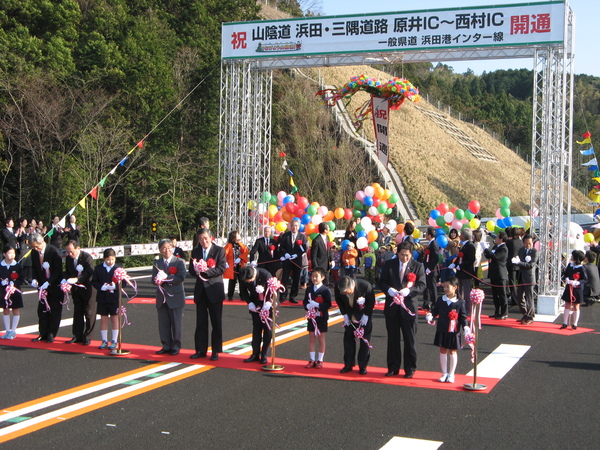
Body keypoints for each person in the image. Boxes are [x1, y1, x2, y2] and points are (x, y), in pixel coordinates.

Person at [379, 241, 426, 378]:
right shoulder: (389, 265)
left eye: (407, 255)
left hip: (409, 307)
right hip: (392, 307)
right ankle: (393, 367)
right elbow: (381, 281)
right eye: (401, 254)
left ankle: (410, 368)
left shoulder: (417, 267)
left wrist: (409, 290)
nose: (404, 258)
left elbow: (422, 285)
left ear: (411, 255)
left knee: (409, 339)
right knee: (393, 339)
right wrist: (389, 290)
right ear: (397, 253)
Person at [189, 228, 227, 361]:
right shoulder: (196, 251)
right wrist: (196, 269)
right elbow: (191, 271)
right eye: (200, 239)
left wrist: (207, 271)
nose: (203, 241)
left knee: (216, 322)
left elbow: (221, 268)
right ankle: (200, 350)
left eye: (205, 238)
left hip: (214, 290)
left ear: (211, 238)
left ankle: (216, 350)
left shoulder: (219, 250)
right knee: (201, 322)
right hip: (200, 291)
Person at [426, 276, 468, 383]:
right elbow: (436, 311)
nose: (445, 289)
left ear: (455, 287)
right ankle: (444, 373)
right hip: (442, 328)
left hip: (454, 331)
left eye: (447, 286)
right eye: (444, 286)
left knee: (452, 351)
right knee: (442, 350)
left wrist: (466, 327)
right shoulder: (441, 299)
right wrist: (430, 315)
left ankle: (452, 374)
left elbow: (463, 317)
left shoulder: (460, 302)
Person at [152, 239, 187, 355]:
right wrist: (157, 279)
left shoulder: (179, 262)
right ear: (160, 250)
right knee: (163, 323)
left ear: (172, 248)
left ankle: (176, 346)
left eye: (169, 247)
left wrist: (167, 278)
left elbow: (181, 277)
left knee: (176, 323)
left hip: (176, 296)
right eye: (164, 248)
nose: (166, 250)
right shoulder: (157, 263)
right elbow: (153, 280)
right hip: (162, 297)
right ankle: (166, 345)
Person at [335, 276, 375, 375]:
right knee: (348, 340)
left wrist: (366, 315)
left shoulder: (365, 286)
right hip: (349, 315)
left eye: (348, 292)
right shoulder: (338, 286)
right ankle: (348, 364)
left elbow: (371, 302)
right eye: (344, 293)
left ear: (352, 286)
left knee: (364, 341)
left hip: (363, 315)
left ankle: (363, 366)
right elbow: (339, 300)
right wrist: (344, 314)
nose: (346, 294)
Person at [30, 232, 64, 343]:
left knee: (54, 310)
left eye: (37, 246)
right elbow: (35, 268)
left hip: (54, 285)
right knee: (42, 310)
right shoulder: (34, 253)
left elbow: (58, 270)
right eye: (33, 247)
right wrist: (34, 279)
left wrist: (49, 282)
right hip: (42, 286)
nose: (35, 248)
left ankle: (51, 334)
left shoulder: (54, 251)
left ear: (42, 242)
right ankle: (42, 333)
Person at [238, 265, 273, 364]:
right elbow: (243, 291)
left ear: (254, 274)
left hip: (268, 305)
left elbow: (273, 290)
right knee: (256, 329)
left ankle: (264, 354)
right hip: (255, 305)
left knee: (267, 330)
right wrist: (249, 302)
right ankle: (255, 353)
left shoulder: (265, 275)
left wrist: (269, 302)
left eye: (250, 280)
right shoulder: (243, 275)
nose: (248, 282)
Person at [64, 240, 96, 345]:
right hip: (76, 289)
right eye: (67, 252)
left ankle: (88, 336)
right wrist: (65, 280)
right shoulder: (68, 259)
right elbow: (68, 271)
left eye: (71, 251)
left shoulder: (87, 257)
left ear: (78, 248)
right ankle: (77, 335)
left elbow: (89, 272)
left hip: (88, 288)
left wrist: (78, 279)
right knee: (77, 312)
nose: (69, 254)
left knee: (89, 312)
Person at [91, 248, 120, 350]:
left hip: (114, 298)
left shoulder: (118, 268)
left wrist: (115, 287)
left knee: (114, 318)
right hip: (102, 297)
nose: (110, 262)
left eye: (112, 259)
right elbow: (94, 281)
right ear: (104, 259)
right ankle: (104, 340)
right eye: (108, 260)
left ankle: (114, 340)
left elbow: (124, 283)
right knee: (103, 318)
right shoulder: (99, 268)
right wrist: (101, 287)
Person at [303, 267, 332, 369]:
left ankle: (320, 360)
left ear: (322, 277)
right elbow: (305, 301)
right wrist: (307, 306)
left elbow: (328, 304)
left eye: (316, 276)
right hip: (312, 317)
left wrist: (318, 305)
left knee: (321, 338)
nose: (314, 278)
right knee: (311, 338)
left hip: (321, 317)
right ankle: (311, 359)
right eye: (312, 276)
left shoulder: (325, 290)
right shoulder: (309, 289)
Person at [277, 218, 307, 303]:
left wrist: (297, 255)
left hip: (297, 260)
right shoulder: (285, 236)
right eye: (293, 226)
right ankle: (283, 296)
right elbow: (281, 247)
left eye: (296, 226)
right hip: (287, 260)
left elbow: (304, 248)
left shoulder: (302, 236)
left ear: (299, 227)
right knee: (285, 279)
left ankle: (293, 296)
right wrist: (285, 254)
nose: (295, 227)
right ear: (290, 226)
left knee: (296, 279)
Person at [512, 235, 538, 324]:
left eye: (530, 243)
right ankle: (525, 313)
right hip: (521, 276)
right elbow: (519, 261)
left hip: (529, 278)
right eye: (526, 243)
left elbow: (531, 265)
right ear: (523, 243)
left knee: (529, 297)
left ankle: (530, 316)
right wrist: (517, 261)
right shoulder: (521, 250)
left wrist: (520, 262)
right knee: (519, 296)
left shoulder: (534, 252)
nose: (528, 245)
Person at [484, 232, 509, 319]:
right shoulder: (495, 247)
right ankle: (497, 311)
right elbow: (489, 256)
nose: (496, 239)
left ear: (501, 239)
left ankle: (504, 313)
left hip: (500, 274)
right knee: (495, 294)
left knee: (502, 294)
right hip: (493, 273)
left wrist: (486, 250)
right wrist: (485, 250)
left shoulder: (503, 248)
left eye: (497, 237)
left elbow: (495, 257)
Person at [0, 245, 24, 339]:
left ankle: (13, 331)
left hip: (15, 291)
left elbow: (21, 278)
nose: (12, 255)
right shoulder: (1, 266)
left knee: (15, 309)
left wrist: (14, 283)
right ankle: (7, 331)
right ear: (4, 254)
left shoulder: (17, 265)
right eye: (9, 253)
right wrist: (2, 282)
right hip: (4, 291)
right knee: (6, 309)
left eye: (13, 253)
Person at [560, 250, 587, 330]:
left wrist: (577, 282)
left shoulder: (582, 268)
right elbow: (565, 274)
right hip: (569, 287)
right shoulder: (570, 265)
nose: (571, 257)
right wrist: (567, 279)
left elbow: (585, 279)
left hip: (577, 289)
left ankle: (575, 323)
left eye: (572, 256)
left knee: (576, 306)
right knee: (567, 304)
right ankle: (565, 322)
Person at [450, 228, 476, 311]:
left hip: (466, 272)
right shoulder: (463, 245)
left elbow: (471, 259)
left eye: (461, 234)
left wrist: (461, 266)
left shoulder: (470, 245)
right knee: (459, 290)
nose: (459, 235)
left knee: (467, 291)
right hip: (460, 272)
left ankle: (468, 308)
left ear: (464, 236)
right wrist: (455, 263)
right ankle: (460, 307)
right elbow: (460, 257)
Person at [223, 230, 248, 301]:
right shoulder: (229, 245)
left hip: (240, 265)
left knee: (242, 280)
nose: (239, 235)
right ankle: (230, 295)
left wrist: (240, 258)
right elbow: (224, 254)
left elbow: (245, 252)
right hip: (232, 266)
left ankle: (242, 295)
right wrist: (225, 262)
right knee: (232, 281)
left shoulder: (241, 244)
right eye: (238, 234)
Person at [422, 227, 440, 311]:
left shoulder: (434, 244)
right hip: (427, 268)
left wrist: (429, 267)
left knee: (432, 288)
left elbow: (436, 258)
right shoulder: (430, 243)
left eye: (426, 233)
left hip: (432, 270)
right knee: (427, 287)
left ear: (429, 235)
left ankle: (435, 304)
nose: (425, 235)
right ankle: (426, 303)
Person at [505, 227, 524, 307]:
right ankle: (520, 298)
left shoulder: (509, 242)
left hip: (511, 264)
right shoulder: (521, 242)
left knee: (512, 282)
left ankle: (514, 299)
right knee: (520, 282)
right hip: (520, 264)